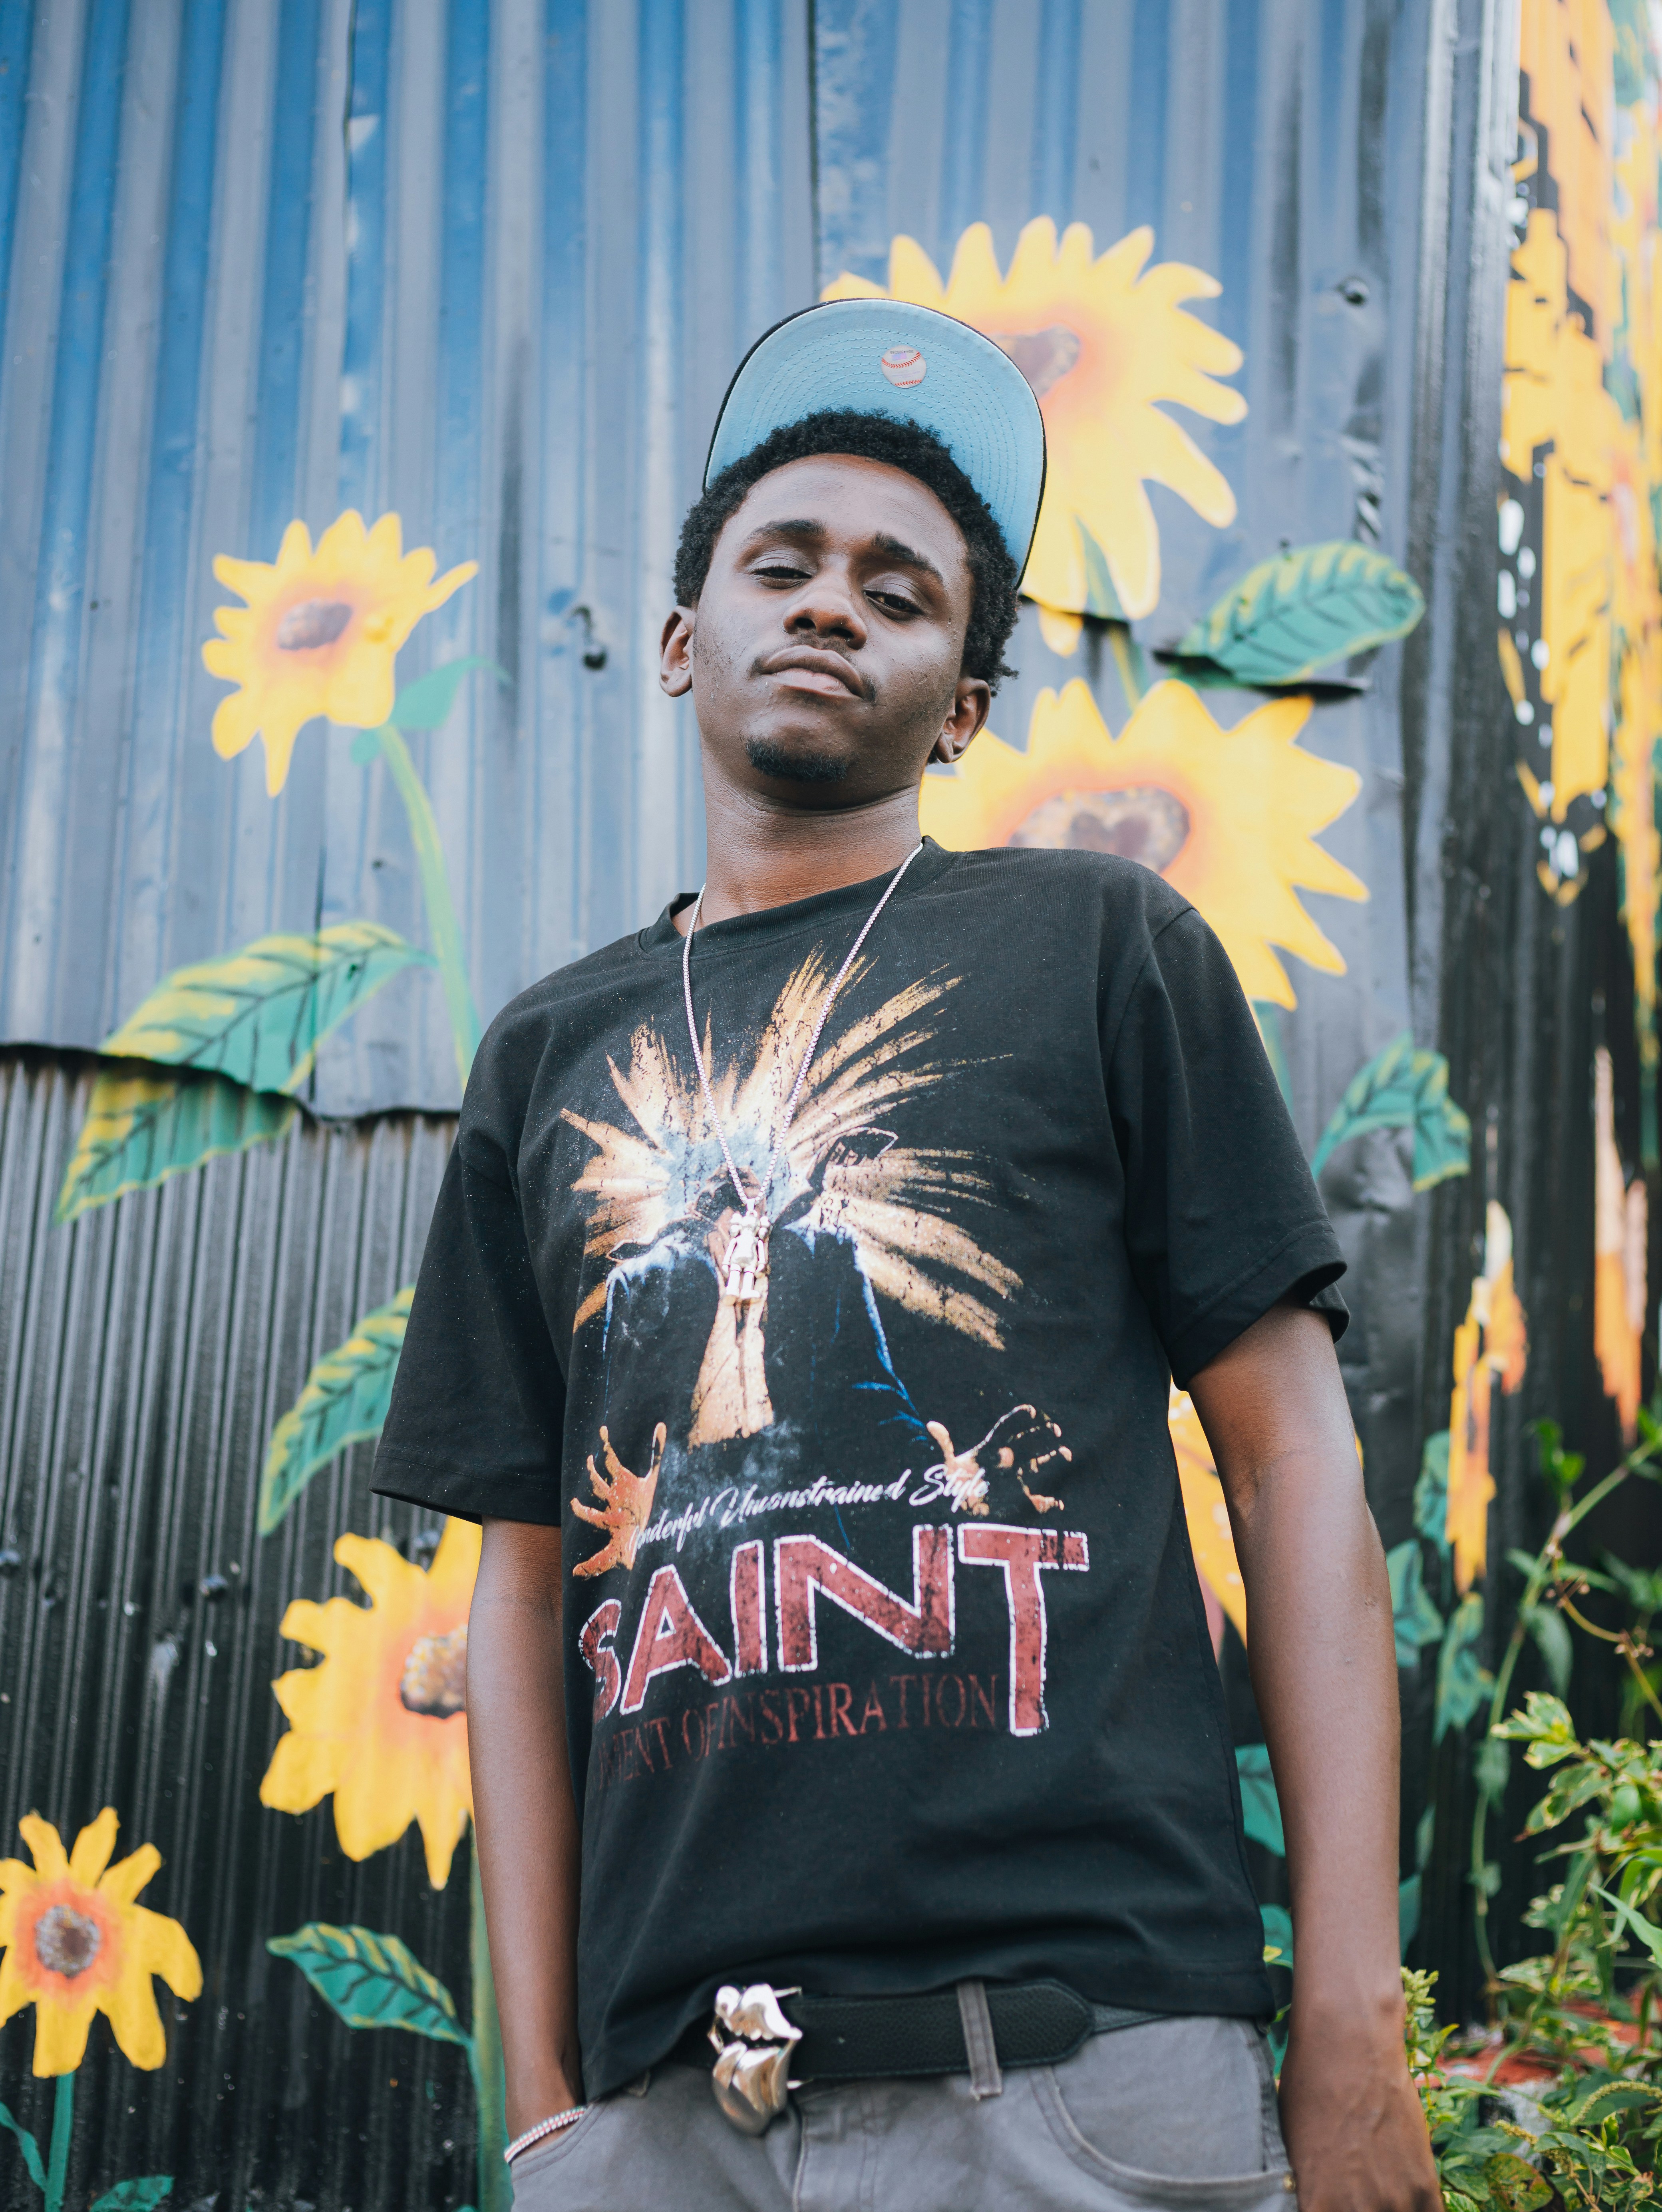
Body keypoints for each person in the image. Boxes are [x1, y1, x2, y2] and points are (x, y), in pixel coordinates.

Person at [374, 297, 1441, 2211]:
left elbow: (1290, 1458)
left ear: (960, 704)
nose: (830, 605)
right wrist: (548, 2107)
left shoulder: (1100, 947)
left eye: (898, 588)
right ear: (682, 640)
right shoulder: (544, 1056)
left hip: (1071, 2076)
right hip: (669, 2120)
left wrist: (1350, 2021)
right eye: (778, 564)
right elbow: (522, 1593)